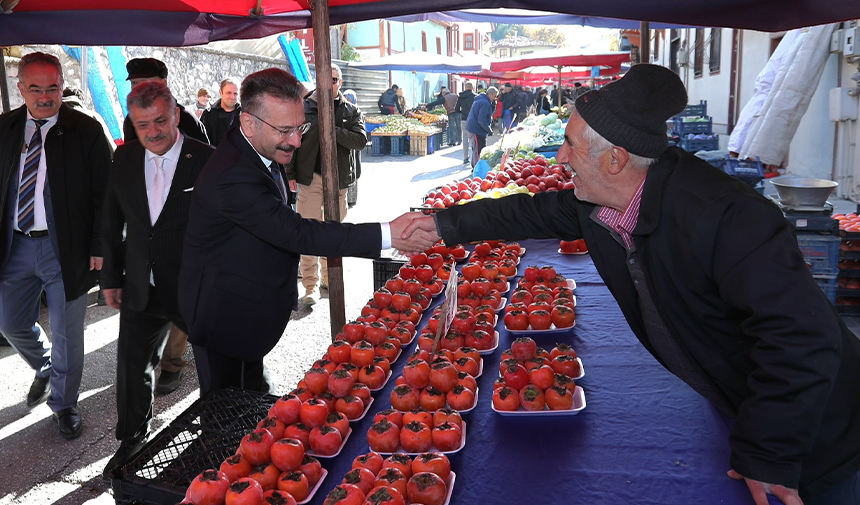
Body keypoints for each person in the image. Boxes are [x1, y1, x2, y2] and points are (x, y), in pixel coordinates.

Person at [401, 64, 860, 505]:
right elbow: (522, 212)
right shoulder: (610, 199)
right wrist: (437, 223)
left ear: (616, 159)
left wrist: (771, 451)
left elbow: (801, 336)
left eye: (569, 145)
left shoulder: (727, 216)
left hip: (822, 430)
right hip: (743, 397)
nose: (560, 158)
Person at [177, 68, 433, 394]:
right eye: (285, 130)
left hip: (245, 307)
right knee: (225, 416)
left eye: (300, 128)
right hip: (223, 317)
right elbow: (298, 232)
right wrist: (389, 234)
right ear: (249, 124)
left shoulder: (253, 146)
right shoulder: (232, 175)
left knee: (252, 395)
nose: (296, 141)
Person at [100, 81, 214, 480]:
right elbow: (111, 220)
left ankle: (220, 436)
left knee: (218, 365)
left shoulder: (208, 160)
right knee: (132, 369)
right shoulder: (125, 157)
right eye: (142, 123)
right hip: (140, 285)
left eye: (161, 121)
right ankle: (131, 439)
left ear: (177, 115)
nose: (153, 131)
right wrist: (111, 277)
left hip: (194, 289)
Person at [0, 52, 112, 439]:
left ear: (62, 86)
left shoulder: (86, 129)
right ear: (21, 89)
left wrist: (101, 245)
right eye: (36, 88)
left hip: (67, 248)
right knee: (10, 322)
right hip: (14, 245)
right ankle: (45, 365)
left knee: (67, 331)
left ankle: (64, 403)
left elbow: (106, 195)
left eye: (53, 87)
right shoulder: (5, 127)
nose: (45, 96)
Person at [285, 64, 366, 306]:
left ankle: (329, 280)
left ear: (339, 82)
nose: (329, 83)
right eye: (324, 78)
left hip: (338, 181)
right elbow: (291, 142)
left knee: (333, 232)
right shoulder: (304, 107)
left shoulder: (350, 110)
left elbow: (360, 140)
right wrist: (290, 174)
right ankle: (310, 286)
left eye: (333, 79)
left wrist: (333, 128)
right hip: (310, 179)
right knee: (308, 232)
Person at [122, 58, 209, 145]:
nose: (139, 87)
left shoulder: (186, 119)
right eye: (134, 82)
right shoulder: (131, 120)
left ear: (163, 83)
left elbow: (205, 155)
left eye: (145, 82)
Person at [200, 78, 241, 147]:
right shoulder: (208, 114)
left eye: (235, 94)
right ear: (221, 92)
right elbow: (202, 141)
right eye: (229, 93)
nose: (232, 97)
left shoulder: (246, 114)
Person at [465, 86, 497, 168]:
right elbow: (481, 120)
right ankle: (477, 168)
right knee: (479, 150)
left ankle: (475, 166)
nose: (495, 98)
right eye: (494, 96)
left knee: (476, 148)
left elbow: (487, 114)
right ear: (490, 94)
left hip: (474, 127)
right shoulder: (485, 102)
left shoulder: (482, 100)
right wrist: (489, 129)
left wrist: (493, 106)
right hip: (477, 129)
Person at [455, 83, 476, 164]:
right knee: (473, 139)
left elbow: (456, 109)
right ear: (472, 88)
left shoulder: (461, 97)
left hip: (464, 119)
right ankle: (474, 157)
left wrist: (462, 112)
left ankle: (465, 157)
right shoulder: (475, 96)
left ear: (465, 87)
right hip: (473, 119)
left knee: (465, 138)